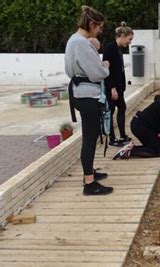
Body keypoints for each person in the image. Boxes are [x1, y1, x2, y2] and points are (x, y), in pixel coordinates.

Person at [64, 5, 113, 195]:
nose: (100, 31)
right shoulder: (81, 43)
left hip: (81, 93)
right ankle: (89, 183)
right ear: (91, 24)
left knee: (90, 136)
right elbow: (97, 73)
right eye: (99, 27)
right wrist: (105, 66)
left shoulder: (74, 40)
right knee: (90, 138)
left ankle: (89, 172)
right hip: (87, 96)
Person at [113, 90, 160, 159]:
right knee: (158, 150)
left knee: (157, 147)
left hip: (138, 124)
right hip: (141, 127)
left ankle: (130, 148)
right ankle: (129, 151)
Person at [103, 22, 134, 146]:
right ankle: (111, 138)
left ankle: (122, 135)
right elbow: (107, 70)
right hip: (112, 87)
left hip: (119, 87)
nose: (130, 42)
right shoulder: (110, 48)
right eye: (129, 39)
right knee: (110, 111)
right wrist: (112, 88)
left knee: (122, 108)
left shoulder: (118, 49)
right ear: (122, 35)